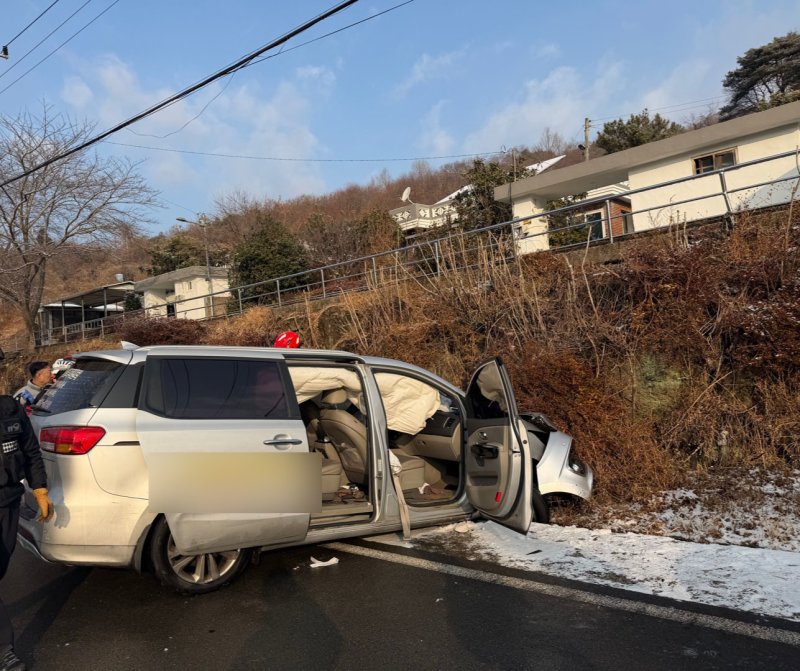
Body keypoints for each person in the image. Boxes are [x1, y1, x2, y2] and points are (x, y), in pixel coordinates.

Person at [0, 395, 53, 671]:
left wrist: (40, 488)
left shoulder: (10, 409)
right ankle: (3, 651)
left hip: (7, 503)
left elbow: (30, 450)